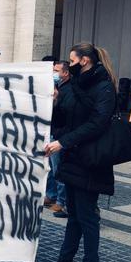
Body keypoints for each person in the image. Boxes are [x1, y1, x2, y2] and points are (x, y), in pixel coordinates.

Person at [40, 42, 117, 262]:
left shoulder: (104, 87)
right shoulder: (73, 84)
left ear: (84, 60)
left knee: (87, 215)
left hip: (91, 159)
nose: (68, 65)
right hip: (73, 156)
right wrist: (54, 103)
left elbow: (98, 123)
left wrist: (63, 142)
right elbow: (65, 118)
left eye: (72, 61)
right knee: (73, 213)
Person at [45, 60, 72, 218]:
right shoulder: (58, 87)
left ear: (65, 73)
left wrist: (55, 100)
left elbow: (63, 113)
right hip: (53, 131)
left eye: (56, 71)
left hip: (60, 134)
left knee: (58, 169)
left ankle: (61, 201)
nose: (54, 73)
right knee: (51, 167)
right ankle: (51, 194)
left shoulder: (68, 90)